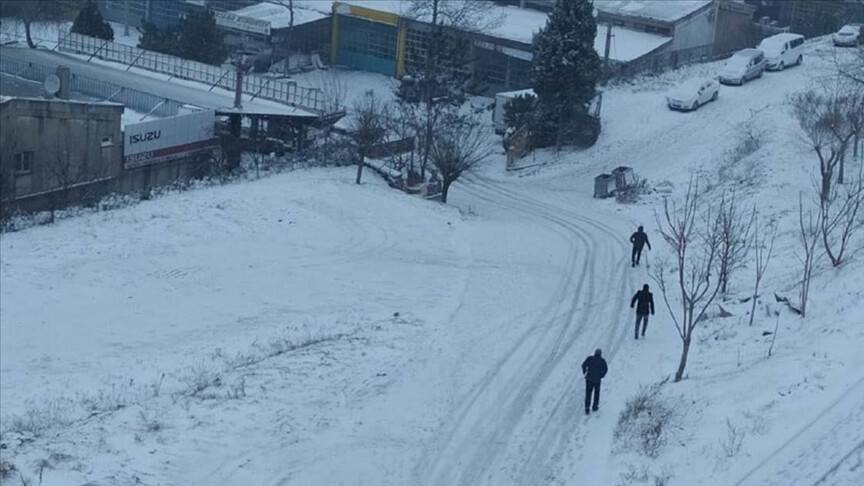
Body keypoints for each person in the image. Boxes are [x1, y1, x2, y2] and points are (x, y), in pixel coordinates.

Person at [581, 348, 608, 415]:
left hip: (589, 379)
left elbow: (583, 365)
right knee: (596, 393)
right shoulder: (602, 361)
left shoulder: (590, 358)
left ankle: (587, 408)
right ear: (600, 354)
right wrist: (601, 375)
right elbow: (605, 369)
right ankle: (595, 407)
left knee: (588, 394)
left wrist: (584, 372)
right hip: (597, 380)